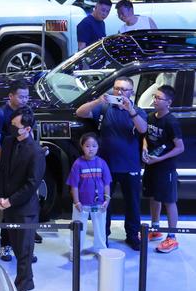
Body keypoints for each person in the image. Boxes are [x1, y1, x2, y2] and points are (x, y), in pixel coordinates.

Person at [75, 76, 148, 250]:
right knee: (104, 204)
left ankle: (132, 236)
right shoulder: (104, 108)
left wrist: (130, 110)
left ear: (131, 92)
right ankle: (103, 236)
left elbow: (143, 129)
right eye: (116, 88)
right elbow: (80, 112)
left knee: (133, 204)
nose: (119, 92)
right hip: (105, 167)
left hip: (130, 166)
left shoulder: (138, 111)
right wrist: (97, 101)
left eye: (124, 89)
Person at [0, 109, 45, 291]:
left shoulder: (36, 152)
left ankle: (20, 290)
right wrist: (1, 197)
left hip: (25, 209)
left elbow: (32, 184)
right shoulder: (8, 142)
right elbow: (2, 172)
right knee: (17, 247)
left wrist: (10, 201)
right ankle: (29, 280)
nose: (12, 128)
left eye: (16, 126)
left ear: (27, 129)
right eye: (12, 125)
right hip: (7, 204)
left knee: (24, 252)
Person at [0, 81, 32, 261]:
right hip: (5, 164)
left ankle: (23, 245)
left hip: (23, 163)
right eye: (21, 96)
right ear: (11, 96)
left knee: (24, 204)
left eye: (26, 96)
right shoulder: (1, 114)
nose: (24, 100)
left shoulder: (28, 112)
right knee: (6, 205)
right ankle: (5, 244)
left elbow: (31, 136)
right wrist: (5, 162)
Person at [143, 84, 185, 253]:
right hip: (151, 165)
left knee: (169, 200)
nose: (155, 100)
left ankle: (172, 238)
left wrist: (160, 158)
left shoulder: (171, 122)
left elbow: (180, 147)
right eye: (155, 97)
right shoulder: (150, 117)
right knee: (154, 197)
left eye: (159, 98)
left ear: (168, 102)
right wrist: (144, 148)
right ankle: (155, 229)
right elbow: (145, 136)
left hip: (165, 167)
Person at [67, 132, 112, 253]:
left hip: (99, 204)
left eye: (94, 146)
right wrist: (76, 202)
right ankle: (75, 251)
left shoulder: (102, 163)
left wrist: (107, 199)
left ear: (98, 147)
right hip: (81, 204)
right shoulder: (77, 164)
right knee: (78, 229)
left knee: (100, 229)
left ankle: (101, 250)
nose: (90, 149)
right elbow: (74, 185)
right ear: (82, 147)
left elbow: (107, 183)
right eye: (87, 146)